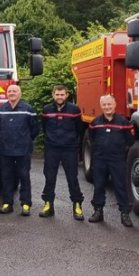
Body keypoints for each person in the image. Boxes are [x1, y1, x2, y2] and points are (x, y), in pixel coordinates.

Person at [88, 95, 134, 227]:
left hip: (117, 159)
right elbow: (92, 140)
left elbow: (130, 141)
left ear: (115, 105)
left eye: (109, 104)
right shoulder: (95, 123)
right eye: (104, 105)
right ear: (101, 106)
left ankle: (125, 214)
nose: (107, 107)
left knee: (120, 186)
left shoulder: (124, 122)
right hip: (100, 159)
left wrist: (120, 152)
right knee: (99, 186)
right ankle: (98, 211)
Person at [40, 85, 85, 220]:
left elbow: (79, 129)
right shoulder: (46, 109)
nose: (59, 97)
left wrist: (73, 143)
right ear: (53, 95)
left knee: (72, 178)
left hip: (69, 149)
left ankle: (77, 205)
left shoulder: (74, 110)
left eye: (62, 94)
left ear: (66, 95)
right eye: (57, 94)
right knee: (49, 178)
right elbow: (44, 127)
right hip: (51, 149)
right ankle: (48, 205)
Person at [0, 85, 39, 216]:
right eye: (9, 91)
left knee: (24, 177)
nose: (12, 93)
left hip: (23, 149)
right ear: (6, 94)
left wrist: (25, 139)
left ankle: (25, 204)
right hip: (5, 150)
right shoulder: (0, 110)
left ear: (20, 94)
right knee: (6, 177)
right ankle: (7, 203)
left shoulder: (28, 109)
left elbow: (34, 129)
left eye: (14, 91)